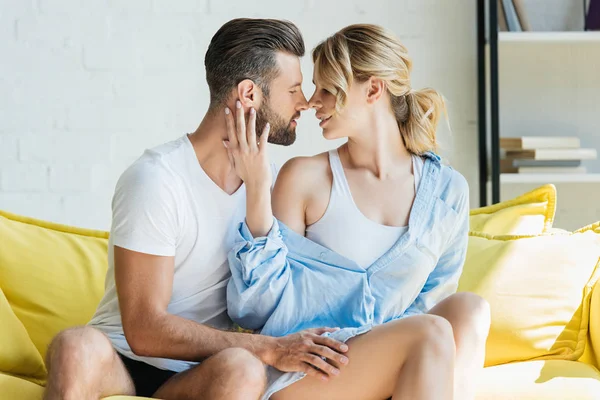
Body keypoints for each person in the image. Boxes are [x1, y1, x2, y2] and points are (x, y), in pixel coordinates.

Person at [42, 18, 350, 400]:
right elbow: (144, 329)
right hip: (120, 359)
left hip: (200, 372)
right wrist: (271, 347)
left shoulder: (272, 186)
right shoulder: (157, 178)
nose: (304, 102)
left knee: (243, 368)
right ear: (249, 94)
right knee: (75, 346)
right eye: (293, 89)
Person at [225, 24, 491, 400]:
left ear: (374, 89)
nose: (313, 101)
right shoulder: (304, 178)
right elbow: (258, 310)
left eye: (328, 90)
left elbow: (431, 303)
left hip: (396, 359)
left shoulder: (447, 192)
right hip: (312, 369)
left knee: (468, 308)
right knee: (429, 332)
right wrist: (257, 190)